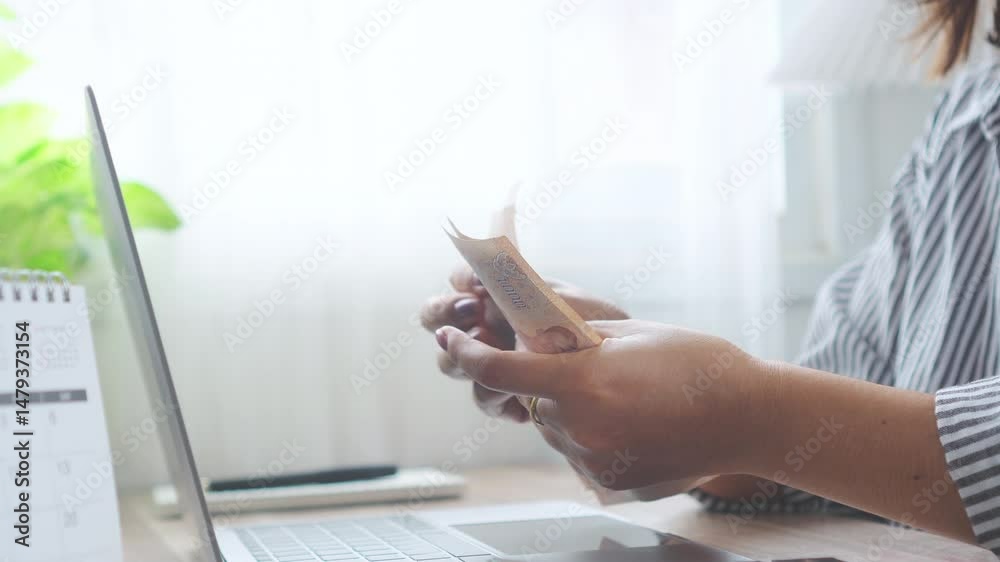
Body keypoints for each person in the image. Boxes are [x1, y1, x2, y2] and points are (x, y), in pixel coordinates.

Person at [420, 0, 1000, 553]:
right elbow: (839, 445)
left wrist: (746, 414)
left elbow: (813, 430)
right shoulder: (965, 120)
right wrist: (654, 394)